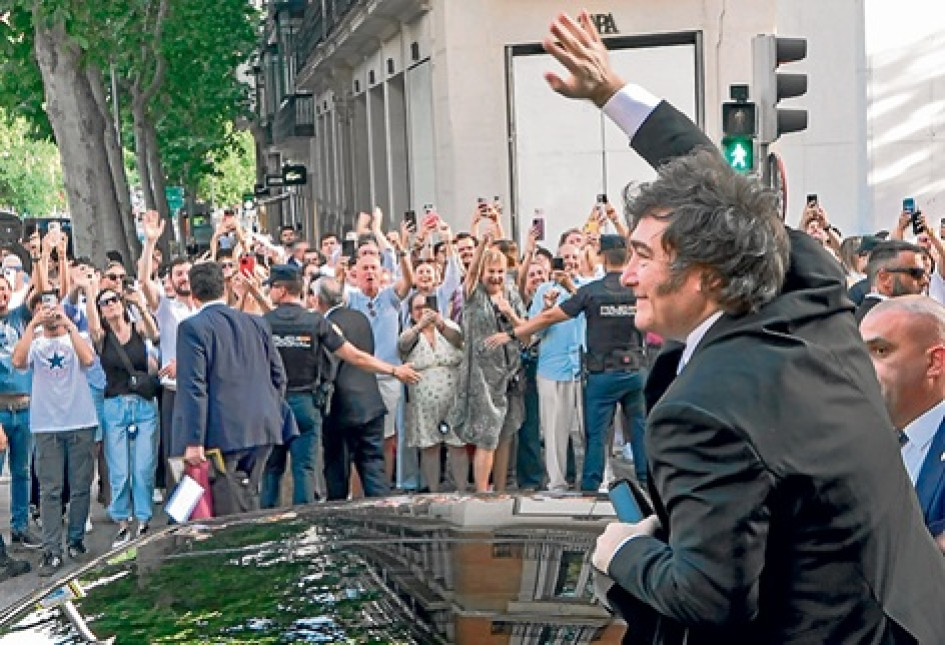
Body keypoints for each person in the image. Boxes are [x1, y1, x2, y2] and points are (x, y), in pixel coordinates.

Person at [545, 10, 945, 644]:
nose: (626, 276)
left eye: (645, 257)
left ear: (705, 273)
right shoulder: (811, 283)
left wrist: (622, 553)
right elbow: (726, 194)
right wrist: (610, 90)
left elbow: (708, 596)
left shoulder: (700, 413)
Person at [489, 235, 646, 491]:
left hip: (602, 373)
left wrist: (511, 333)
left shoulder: (592, 291)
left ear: (602, 257)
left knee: (596, 434)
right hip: (635, 369)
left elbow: (550, 317)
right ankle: (646, 482)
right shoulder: (638, 288)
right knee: (640, 430)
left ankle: (591, 486)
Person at [261, 265, 419, 507]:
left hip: (273, 404)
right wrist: (394, 370)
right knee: (304, 467)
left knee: (272, 468)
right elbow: (355, 356)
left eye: (271, 287)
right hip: (306, 403)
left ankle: (265, 524)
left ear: (281, 290)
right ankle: (305, 526)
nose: (270, 292)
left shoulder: (264, 323)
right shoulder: (314, 322)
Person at [172, 262, 286, 516]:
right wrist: (270, 408)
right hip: (262, 424)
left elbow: (194, 386)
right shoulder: (256, 323)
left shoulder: (192, 328)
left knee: (229, 508)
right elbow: (279, 375)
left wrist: (193, 440)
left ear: (193, 293)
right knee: (247, 494)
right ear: (224, 289)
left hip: (222, 430)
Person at [13, 296, 97, 576]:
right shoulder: (35, 344)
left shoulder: (79, 336)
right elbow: (18, 361)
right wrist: (33, 325)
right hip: (46, 426)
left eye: (53, 307)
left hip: (80, 421)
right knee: (50, 491)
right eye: (42, 308)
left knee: (80, 486)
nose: (49, 313)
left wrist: (69, 325)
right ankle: (52, 550)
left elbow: (88, 359)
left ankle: (76, 541)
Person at [859, 295, 945, 550]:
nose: (862, 367)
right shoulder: (856, 436)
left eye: (880, 351)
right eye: (859, 353)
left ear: (934, 362)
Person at [446, 231, 526, 493]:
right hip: (481, 379)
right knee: (487, 439)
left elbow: (528, 334)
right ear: (482, 272)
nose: (496, 277)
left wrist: (510, 314)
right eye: (491, 271)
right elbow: (469, 276)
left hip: (509, 377)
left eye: (500, 272)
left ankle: (500, 491)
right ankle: (482, 493)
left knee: (504, 437)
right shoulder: (472, 294)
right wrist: (481, 245)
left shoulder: (511, 294)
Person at [85, 280, 161, 547]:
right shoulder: (102, 337)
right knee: (119, 469)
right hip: (115, 405)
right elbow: (93, 325)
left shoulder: (137, 328)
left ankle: (143, 517)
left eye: (113, 300)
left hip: (142, 404)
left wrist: (139, 303)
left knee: (142, 466)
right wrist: (90, 288)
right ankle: (122, 521)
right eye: (104, 304)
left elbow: (154, 333)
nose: (110, 306)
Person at [398, 292, 467, 492]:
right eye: (418, 308)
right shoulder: (410, 333)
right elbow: (403, 345)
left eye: (426, 306)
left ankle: (461, 489)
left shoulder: (450, 327)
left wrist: (440, 324)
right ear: (411, 313)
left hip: (453, 396)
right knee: (430, 447)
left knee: (457, 445)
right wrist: (420, 326)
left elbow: (458, 340)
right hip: (423, 400)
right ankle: (433, 491)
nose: (424, 311)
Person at [855, 239, 928, 323]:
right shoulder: (886, 323)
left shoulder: (863, 317)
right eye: (916, 273)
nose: (925, 281)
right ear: (884, 278)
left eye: (925, 274)